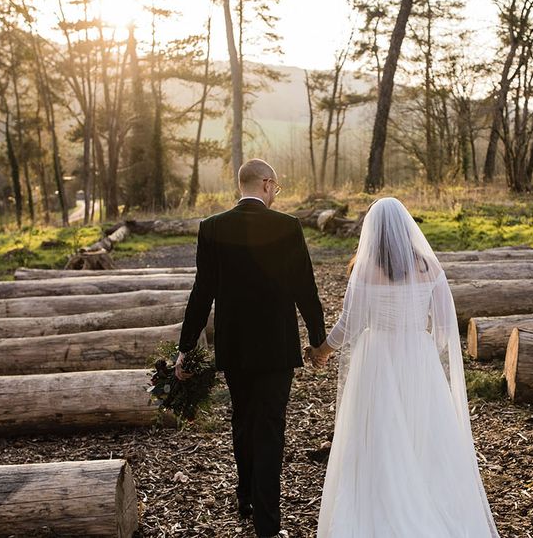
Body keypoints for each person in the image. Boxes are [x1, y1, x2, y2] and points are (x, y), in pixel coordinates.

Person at [308, 197, 499, 538]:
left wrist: (322, 351)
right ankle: (427, 499)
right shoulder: (430, 267)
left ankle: (384, 499)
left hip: (377, 356)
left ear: (373, 231)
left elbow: (348, 326)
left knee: (378, 435)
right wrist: (423, 350)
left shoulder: (364, 269)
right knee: (421, 433)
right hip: (417, 355)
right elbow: (444, 327)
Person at [175, 158, 327, 538]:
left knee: (242, 420)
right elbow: (304, 288)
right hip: (276, 347)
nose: (276, 194)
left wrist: (186, 346)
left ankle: (246, 497)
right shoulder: (287, 226)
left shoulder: (212, 228)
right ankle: (267, 522)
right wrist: (316, 339)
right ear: (267, 184)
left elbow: (202, 293)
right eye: (276, 188)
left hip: (236, 347)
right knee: (270, 426)